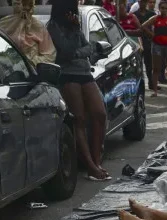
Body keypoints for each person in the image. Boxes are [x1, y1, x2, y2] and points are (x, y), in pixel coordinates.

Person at [47, 0, 110, 181]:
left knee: (99, 114)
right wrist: (79, 48)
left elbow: (88, 48)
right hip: (67, 74)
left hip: (84, 72)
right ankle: (90, 166)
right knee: (79, 119)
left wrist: (79, 48)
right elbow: (66, 51)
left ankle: (96, 161)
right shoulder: (53, 27)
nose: (73, 13)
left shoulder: (75, 25)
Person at [0, 0, 56, 66]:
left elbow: (49, 55)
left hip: (31, 72)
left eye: (30, 4)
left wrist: (31, 62)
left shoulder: (38, 26)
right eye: (24, 4)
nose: (27, 8)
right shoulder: (4, 24)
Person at [137, 0, 158, 89]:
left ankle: (151, 82)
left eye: (145, 2)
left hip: (149, 41)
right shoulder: (134, 14)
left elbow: (155, 27)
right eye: (141, 2)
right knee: (138, 64)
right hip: (138, 41)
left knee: (149, 63)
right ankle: (139, 85)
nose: (143, 4)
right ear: (138, 2)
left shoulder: (151, 14)